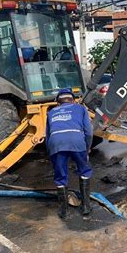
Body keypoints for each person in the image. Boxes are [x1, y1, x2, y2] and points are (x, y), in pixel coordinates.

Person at [46, 88, 93, 219]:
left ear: (58, 102)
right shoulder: (80, 109)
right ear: (72, 99)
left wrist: (51, 153)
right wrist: (87, 148)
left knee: (61, 176)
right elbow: (88, 131)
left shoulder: (50, 113)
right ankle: (85, 207)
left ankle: (64, 211)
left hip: (56, 143)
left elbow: (48, 136)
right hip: (76, 141)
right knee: (84, 171)